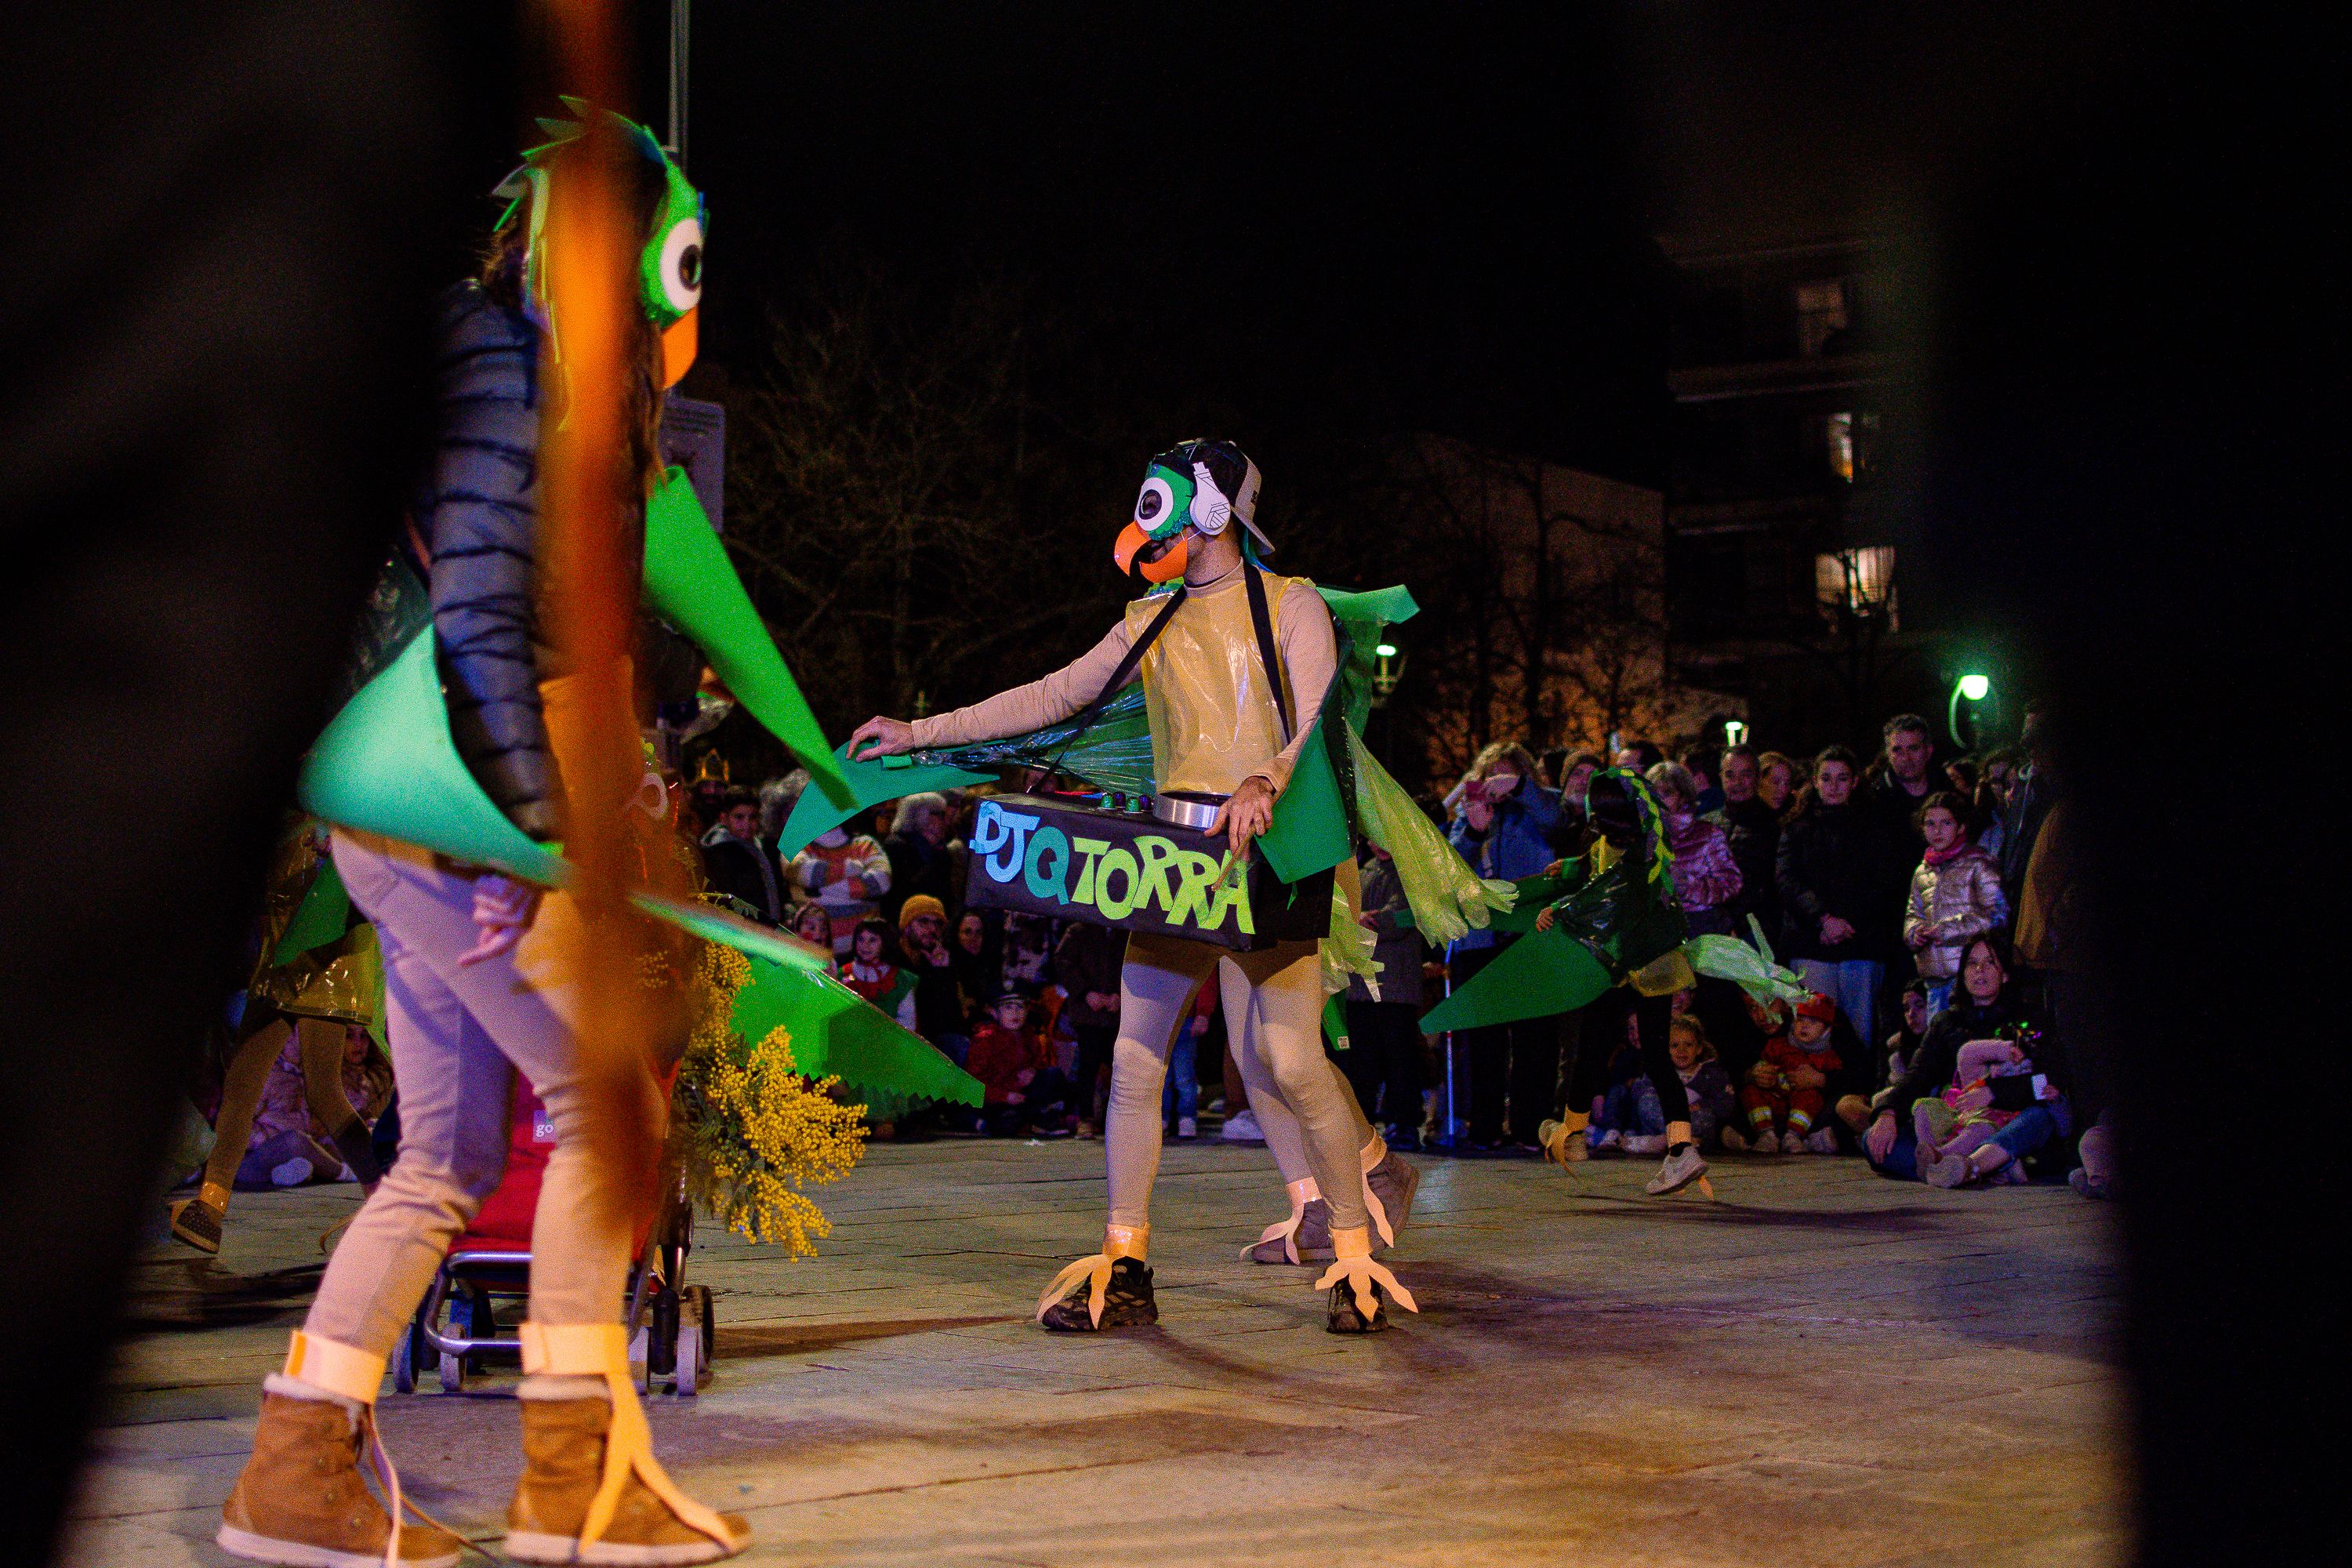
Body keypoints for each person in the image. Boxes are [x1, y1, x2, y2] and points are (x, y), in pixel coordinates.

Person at [214, 111, 746, 1568]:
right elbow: (486, 627)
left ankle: (295, 1473)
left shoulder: (498, 378)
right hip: (476, 806)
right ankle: (575, 1483)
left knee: (445, 1155)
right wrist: (526, 831)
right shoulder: (521, 387)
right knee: (604, 1126)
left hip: (410, 804)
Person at [847, 437, 1421, 1334]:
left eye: (1162, 502)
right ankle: (1128, 1256)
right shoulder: (1150, 620)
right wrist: (921, 731)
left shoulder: (1293, 605)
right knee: (1132, 1059)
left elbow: (1311, 717)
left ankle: (1355, 1253)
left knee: (1293, 1056)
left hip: (1268, 856)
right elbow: (1051, 696)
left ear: (1213, 513)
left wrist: (1266, 779)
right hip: (1176, 859)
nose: (1144, 521)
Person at [1524, 770, 1712, 1196]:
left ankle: (1574, 1136)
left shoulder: (1635, 857)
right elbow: (1598, 870)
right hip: (1649, 962)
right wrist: (1572, 866)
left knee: (1595, 1046)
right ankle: (1679, 1147)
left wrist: (1560, 907)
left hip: (1630, 962)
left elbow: (1605, 895)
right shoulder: (1647, 841)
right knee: (1625, 1051)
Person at [1863, 934, 2069, 1185]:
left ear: (2005, 974)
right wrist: (1887, 1113)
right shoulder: (1946, 1023)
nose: (1979, 971)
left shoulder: (2029, 1018)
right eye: (1972, 963)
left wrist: (1995, 1092)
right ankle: (1976, 1168)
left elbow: (2049, 1079)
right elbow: (1918, 1076)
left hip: (2010, 1119)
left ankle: (1973, 1164)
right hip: (1958, 1123)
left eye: (1990, 963)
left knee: (2039, 1118)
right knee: (1875, 1142)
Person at [1446, 740, 1570, 1152]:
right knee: (1484, 1043)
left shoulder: (1541, 805)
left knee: (1536, 1039)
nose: (1497, 782)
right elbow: (1450, 869)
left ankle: (1530, 1126)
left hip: (1532, 936)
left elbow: (1557, 820)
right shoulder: (1470, 816)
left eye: (1507, 773)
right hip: (1481, 940)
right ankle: (1483, 1127)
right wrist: (1475, 827)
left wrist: (1519, 790)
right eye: (1491, 773)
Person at [1776, 745, 1907, 1050]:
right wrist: (1823, 919)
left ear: (1855, 782)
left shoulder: (1875, 828)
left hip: (1861, 944)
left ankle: (1854, 1095)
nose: (1834, 787)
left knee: (1859, 1034)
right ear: (1816, 782)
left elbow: (1884, 884)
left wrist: (1847, 923)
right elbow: (1787, 880)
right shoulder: (1796, 829)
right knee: (1811, 1032)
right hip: (1812, 943)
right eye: (1827, 778)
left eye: (1842, 778)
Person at [1341, 844, 1428, 1149]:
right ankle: (1362, 1123)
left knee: (1399, 1059)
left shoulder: (1409, 872)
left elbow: (1400, 916)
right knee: (1363, 1059)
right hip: (1362, 985)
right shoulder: (1364, 871)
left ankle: (1403, 1123)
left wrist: (1369, 919)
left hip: (1396, 986)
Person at [1903, 791, 2008, 1016]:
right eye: (1930, 824)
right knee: (1939, 1041)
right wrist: (1914, 933)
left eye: (1946, 823)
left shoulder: (1978, 864)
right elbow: (1913, 912)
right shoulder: (1922, 871)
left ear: (1961, 827)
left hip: (1967, 976)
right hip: (1933, 978)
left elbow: (1997, 915)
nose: (1937, 830)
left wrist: (1948, 930)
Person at [1590, 1014, 1734, 1153]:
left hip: (1694, 1122)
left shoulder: (1711, 1073)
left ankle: (1673, 1141)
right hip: (1661, 1120)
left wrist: (1700, 1106)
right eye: (1675, 1045)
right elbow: (1639, 1094)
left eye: (1688, 1045)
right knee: (1646, 1102)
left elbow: (1725, 1104)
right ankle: (1663, 1140)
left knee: (1706, 1119)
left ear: (1699, 1049)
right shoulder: (1660, 1070)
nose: (1682, 1051)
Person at [1730, 990, 1844, 1153]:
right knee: (1749, 1093)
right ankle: (1766, 1136)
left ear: (1785, 1002)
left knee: (1813, 1098)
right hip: (1775, 1102)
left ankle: (1795, 1137)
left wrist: (1821, 1079)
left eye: (1769, 1004)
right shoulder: (1777, 1044)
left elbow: (1854, 1076)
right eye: (1753, 1008)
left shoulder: (1829, 1048)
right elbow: (1737, 1071)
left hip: (1806, 1110)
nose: (1762, 1016)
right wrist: (1756, 1074)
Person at [1647, 760, 1742, 937]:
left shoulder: (1707, 835)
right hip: (1658, 930)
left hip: (1703, 929)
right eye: (1653, 794)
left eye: (1667, 794)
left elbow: (1732, 883)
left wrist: (1688, 885)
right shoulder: (1645, 838)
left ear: (1683, 796)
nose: (1658, 802)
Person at [966, 992, 1076, 1137]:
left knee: (1053, 1075)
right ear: (995, 1013)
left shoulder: (1030, 1037)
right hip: (997, 1099)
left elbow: (1041, 1065)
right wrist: (1005, 1096)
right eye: (1008, 1007)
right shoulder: (985, 1039)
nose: (1015, 1013)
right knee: (1007, 1122)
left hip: (1023, 1096)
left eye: (1020, 1007)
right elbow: (973, 1084)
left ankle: (1043, 1121)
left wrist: (1033, 1071)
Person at [1054, 920, 1127, 1138]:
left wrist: (1121, 995)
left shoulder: (1127, 933)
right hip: (1087, 1013)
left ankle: (1120, 1120)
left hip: (1118, 1013)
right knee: (1088, 1065)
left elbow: (1136, 968)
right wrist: (1085, 993)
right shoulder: (1079, 930)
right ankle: (1085, 1118)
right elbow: (1062, 962)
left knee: (1120, 1066)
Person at [788, 821, 891, 956]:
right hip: (814, 947)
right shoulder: (798, 845)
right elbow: (806, 873)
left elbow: (881, 882)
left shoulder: (865, 843)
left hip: (863, 949)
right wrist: (851, 870)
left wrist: (819, 890)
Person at [1714, 743, 1782, 940]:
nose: (1738, 782)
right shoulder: (1708, 824)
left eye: (1745, 774)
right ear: (1721, 777)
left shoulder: (1774, 826)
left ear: (1758, 777)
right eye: (1730, 775)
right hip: (1716, 930)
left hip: (1758, 931)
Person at [897, 895, 969, 1063]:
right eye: (923, 922)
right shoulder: (894, 959)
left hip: (931, 1043)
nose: (932, 929)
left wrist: (942, 972)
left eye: (937, 923)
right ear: (907, 927)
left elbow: (950, 1021)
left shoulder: (940, 961)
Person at [700, 786, 786, 924]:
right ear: (724, 818)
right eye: (739, 817)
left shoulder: (764, 848)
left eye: (752, 817)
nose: (747, 824)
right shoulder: (717, 855)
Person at [880, 792, 956, 929]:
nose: (946, 821)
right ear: (923, 816)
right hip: (905, 924)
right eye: (941, 815)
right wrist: (935, 859)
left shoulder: (940, 849)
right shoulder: (896, 846)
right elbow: (904, 890)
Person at [1867, 713, 1938, 851]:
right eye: (1898, 750)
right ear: (1888, 754)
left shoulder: (1948, 792)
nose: (1906, 758)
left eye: (1913, 748)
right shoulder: (1873, 801)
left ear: (1928, 751)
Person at [1680, 745, 1727, 815]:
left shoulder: (1694, 811)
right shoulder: (1725, 799)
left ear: (1700, 777)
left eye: (1684, 774)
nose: (1679, 779)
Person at [1755, 750, 1799, 818]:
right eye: (1775, 782)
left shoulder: (1792, 814)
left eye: (1787, 783)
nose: (1783, 790)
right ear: (1758, 780)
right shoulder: (1744, 818)